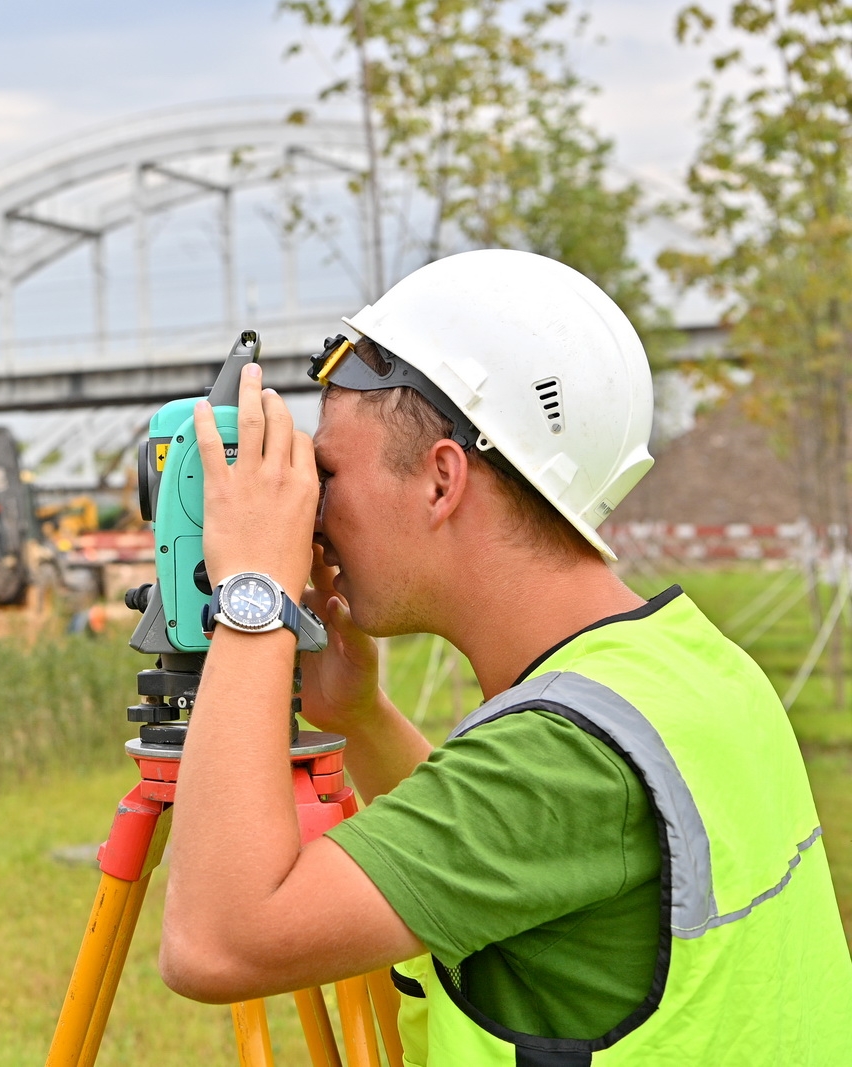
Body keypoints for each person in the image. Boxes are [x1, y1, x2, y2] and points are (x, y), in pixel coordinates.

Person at [157, 249, 852, 1064]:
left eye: (327, 471)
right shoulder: (693, 669)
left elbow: (216, 942)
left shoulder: (563, 758)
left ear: (441, 479)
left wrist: (252, 592)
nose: (312, 513)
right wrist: (362, 719)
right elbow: (504, 846)